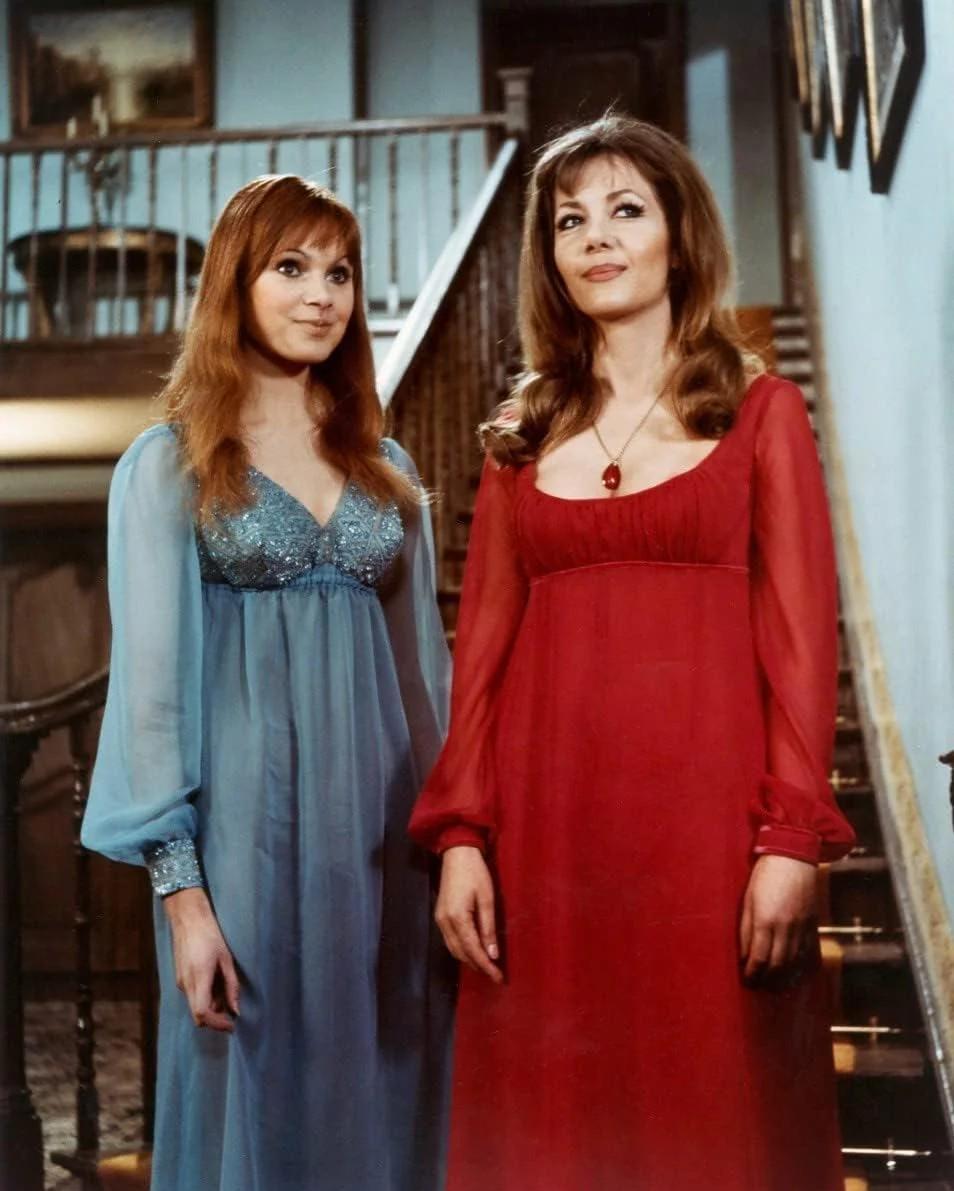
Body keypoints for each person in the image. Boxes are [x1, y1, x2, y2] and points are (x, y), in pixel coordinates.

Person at [409, 115, 856, 1191]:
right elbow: (481, 659)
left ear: (679, 236)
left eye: (625, 210)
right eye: (570, 221)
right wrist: (462, 835)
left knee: (715, 1128)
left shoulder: (761, 415)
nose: (597, 237)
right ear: (551, 258)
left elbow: (804, 644)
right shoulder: (517, 442)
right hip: (546, 847)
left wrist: (790, 839)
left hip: (710, 842)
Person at [82, 175, 453, 1191]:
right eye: (291, 267)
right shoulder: (171, 464)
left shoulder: (386, 466)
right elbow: (151, 701)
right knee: (254, 1097)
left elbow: (426, 683)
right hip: (246, 836)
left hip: (386, 844)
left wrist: (458, 844)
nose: (321, 294)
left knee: (386, 1098)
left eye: (339, 272)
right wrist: (184, 901)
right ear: (235, 282)